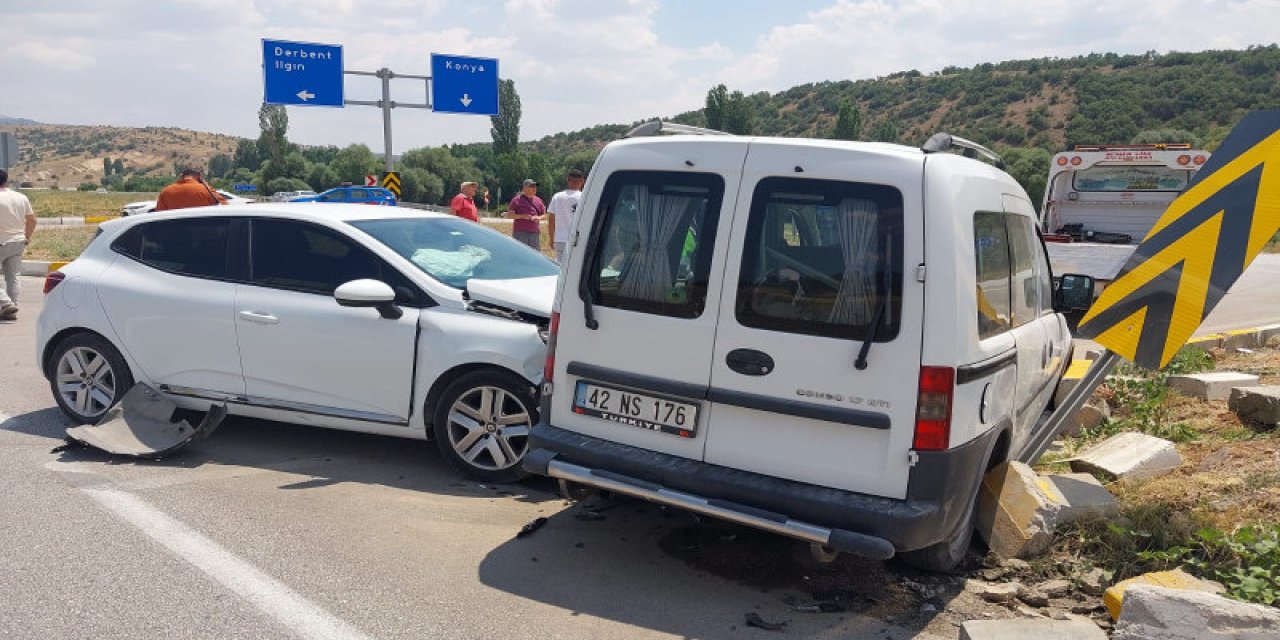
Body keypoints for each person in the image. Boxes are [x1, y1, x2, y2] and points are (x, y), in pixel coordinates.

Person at [0, 169, 36, 320]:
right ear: (7, 179)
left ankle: (6, 303)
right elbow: (32, 220)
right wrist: (26, 237)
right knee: (13, 276)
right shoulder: (21, 197)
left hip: (2, 241)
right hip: (18, 240)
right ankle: (11, 307)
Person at [547, 169, 585, 264]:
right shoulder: (585, 197)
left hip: (560, 238)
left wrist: (551, 238)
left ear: (568, 180)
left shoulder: (557, 197)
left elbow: (551, 219)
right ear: (582, 181)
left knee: (561, 266)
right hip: (578, 239)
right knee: (576, 266)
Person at [154, 168, 227, 211]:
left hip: (175, 232)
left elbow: (159, 213)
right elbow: (224, 207)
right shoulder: (206, 190)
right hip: (203, 232)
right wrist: (206, 185)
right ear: (198, 177)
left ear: (181, 176)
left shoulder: (166, 192)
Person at [507, 178, 546, 251]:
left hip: (534, 233)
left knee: (535, 255)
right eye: (532, 186)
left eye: (535, 186)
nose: (534, 188)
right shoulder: (516, 200)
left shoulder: (539, 200)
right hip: (520, 233)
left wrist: (538, 217)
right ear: (525, 188)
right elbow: (509, 215)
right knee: (520, 253)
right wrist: (522, 216)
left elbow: (544, 215)